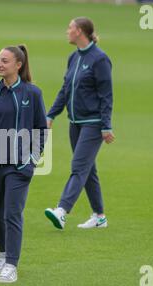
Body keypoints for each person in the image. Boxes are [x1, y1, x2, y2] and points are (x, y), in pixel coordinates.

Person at [0, 45, 47, 283]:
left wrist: (32, 160)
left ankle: (11, 265)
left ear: (18, 65)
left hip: (19, 166)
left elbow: (41, 130)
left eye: (4, 61)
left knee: (12, 213)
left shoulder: (32, 93)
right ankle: (2, 254)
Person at [44, 17, 115, 230]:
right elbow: (65, 90)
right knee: (88, 169)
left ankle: (62, 210)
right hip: (75, 123)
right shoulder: (73, 58)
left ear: (80, 31)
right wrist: (51, 115)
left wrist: (106, 125)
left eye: (70, 28)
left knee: (78, 167)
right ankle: (99, 216)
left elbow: (106, 95)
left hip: (93, 123)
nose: (67, 31)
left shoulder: (100, 59)